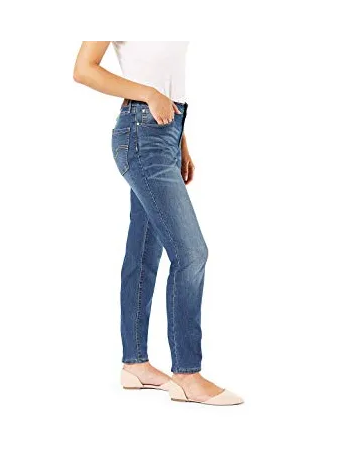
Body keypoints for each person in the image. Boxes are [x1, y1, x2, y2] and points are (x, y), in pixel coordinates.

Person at [73, 39, 243, 406]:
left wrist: (180, 142)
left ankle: (135, 364)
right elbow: (84, 69)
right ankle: (187, 375)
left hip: (166, 133)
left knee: (144, 252)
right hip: (141, 135)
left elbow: (165, 78)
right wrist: (149, 94)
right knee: (191, 253)